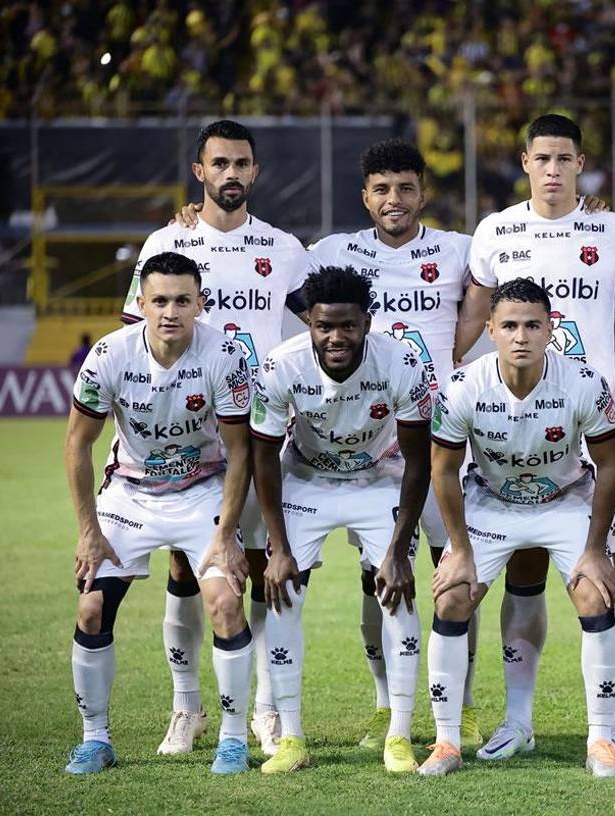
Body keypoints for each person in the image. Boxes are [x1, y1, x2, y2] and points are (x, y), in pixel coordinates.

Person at [455, 114, 615, 761]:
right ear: (525, 162)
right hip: (513, 430)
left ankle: (613, 721)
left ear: (580, 164)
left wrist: (590, 348)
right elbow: (472, 321)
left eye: (564, 158)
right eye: (541, 158)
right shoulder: (495, 232)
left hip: (587, 429)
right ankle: (518, 720)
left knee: (602, 574)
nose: (552, 169)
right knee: (524, 572)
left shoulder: (613, 231)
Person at [121, 119, 310, 757]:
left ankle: (265, 709)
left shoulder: (285, 249)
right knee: (187, 567)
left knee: (264, 568)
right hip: (190, 441)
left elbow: (319, 328)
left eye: (242, 163)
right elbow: (136, 338)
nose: (232, 174)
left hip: (264, 434)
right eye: (220, 163)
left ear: (256, 171)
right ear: (199, 171)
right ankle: (187, 708)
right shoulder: (165, 242)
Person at [304, 138, 482, 749]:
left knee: (455, 569)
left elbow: (496, 294)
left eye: (406, 188)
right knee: (375, 572)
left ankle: (462, 704)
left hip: (445, 436)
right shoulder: (334, 253)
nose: (394, 199)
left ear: (423, 193)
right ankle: (386, 702)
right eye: (382, 189)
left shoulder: (459, 250)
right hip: (374, 443)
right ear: (365, 197)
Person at [421, 279, 615, 778]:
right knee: (451, 598)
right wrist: (460, 550)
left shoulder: (584, 382)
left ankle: (602, 738)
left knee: (594, 593)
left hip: (565, 500)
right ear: (490, 330)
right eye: (509, 325)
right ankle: (446, 742)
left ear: (550, 329)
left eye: (533, 325)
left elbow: (611, 464)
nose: (521, 336)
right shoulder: (462, 387)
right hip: (492, 502)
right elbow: (443, 471)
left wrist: (595, 549)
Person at [65, 251, 255, 775]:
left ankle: (233, 739)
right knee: (91, 609)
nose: (171, 312)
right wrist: (88, 531)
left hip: (202, 491)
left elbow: (240, 451)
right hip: (130, 493)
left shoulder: (225, 355)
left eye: (182, 301)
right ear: (142, 303)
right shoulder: (109, 355)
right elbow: (78, 443)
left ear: (200, 303)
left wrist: (227, 534)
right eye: (161, 301)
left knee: (225, 604)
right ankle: (95, 739)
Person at [249, 266, 433, 774]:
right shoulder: (281, 365)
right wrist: (278, 547)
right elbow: (264, 458)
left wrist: (398, 551)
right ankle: (291, 738)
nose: (336, 337)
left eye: (348, 326)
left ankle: (399, 735)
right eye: (324, 326)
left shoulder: (401, 362)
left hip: (378, 478)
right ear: (308, 322)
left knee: (397, 592)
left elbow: (419, 462)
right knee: (283, 591)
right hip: (306, 478)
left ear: (366, 323)